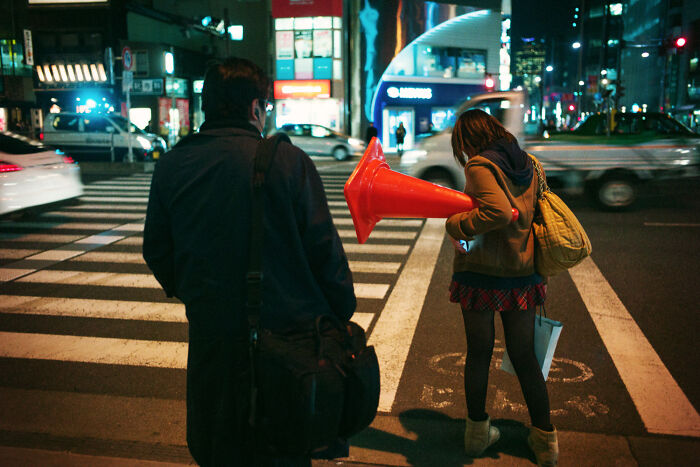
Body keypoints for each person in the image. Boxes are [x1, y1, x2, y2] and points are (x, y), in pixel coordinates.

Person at [143, 57, 356, 466]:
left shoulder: (171, 166)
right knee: (282, 452)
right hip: (288, 354)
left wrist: (197, 295)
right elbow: (325, 254)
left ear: (207, 106)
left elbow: (157, 249)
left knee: (219, 450)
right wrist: (339, 315)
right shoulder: (288, 163)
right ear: (256, 108)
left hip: (213, 347)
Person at [444, 109, 558, 466]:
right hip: (521, 272)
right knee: (524, 356)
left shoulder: (480, 165)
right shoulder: (530, 164)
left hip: (480, 273)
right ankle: (545, 440)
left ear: (470, 138)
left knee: (479, 352)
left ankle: (477, 435)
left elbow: (497, 212)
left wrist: (457, 225)